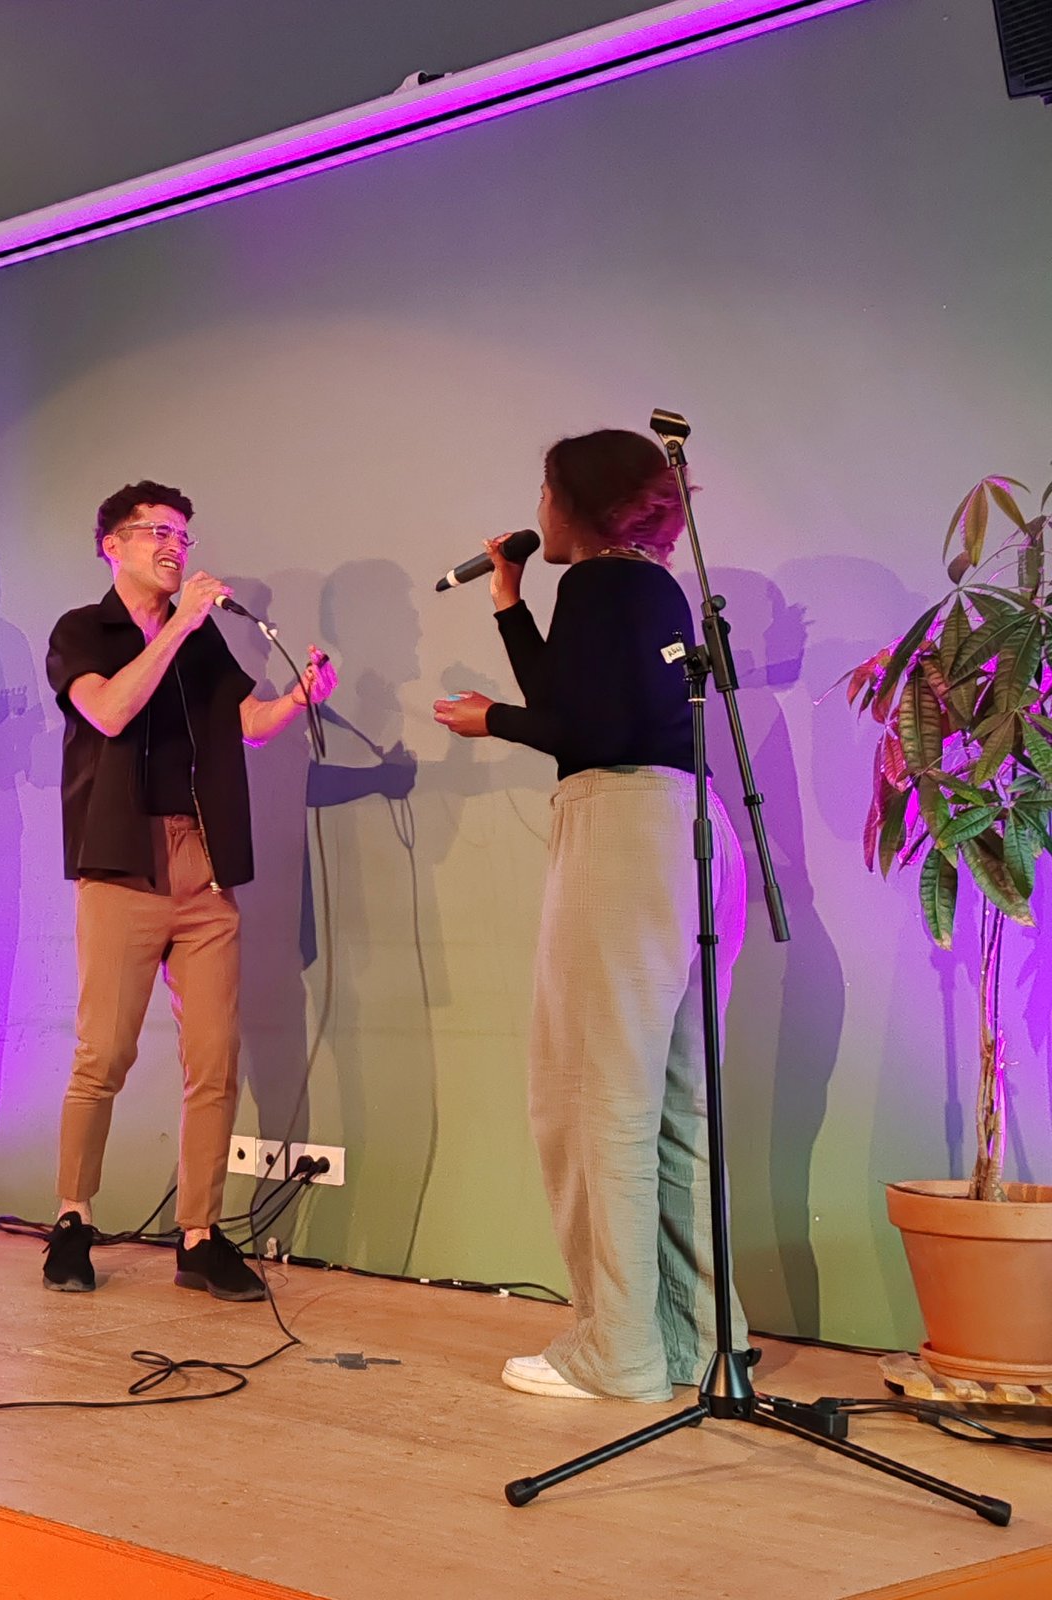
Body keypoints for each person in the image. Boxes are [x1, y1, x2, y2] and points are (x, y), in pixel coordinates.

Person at [434, 430, 747, 1401]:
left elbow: (583, 728)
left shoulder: (599, 585)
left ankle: (615, 1351)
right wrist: (507, 598)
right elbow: (576, 699)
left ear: (575, 500)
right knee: (674, 1108)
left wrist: (493, 719)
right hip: (690, 832)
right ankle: (697, 1342)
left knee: (591, 1101)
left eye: (545, 489)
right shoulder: (648, 588)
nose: (538, 506)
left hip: (622, 835)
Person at [42, 479, 337, 1298]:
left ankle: (200, 1235)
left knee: (214, 1059)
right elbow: (108, 712)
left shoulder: (199, 639)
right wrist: (177, 627)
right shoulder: (84, 630)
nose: (175, 547)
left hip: (202, 867)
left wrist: (299, 697)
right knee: (104, 1054)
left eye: (183, 535)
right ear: (113, 545)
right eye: (159, 533)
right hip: (122, 865)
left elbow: (248, 724)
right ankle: (72, 1220)